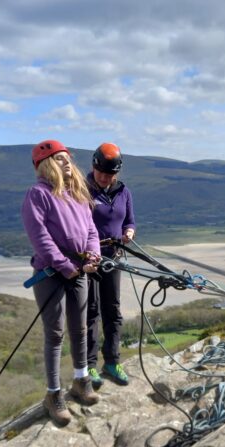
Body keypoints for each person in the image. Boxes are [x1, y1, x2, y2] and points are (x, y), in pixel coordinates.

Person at [21, 140, 101, 426]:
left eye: (68, 158)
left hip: (79, 270)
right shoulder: (38, 194)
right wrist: (64, 265)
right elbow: (40, 237)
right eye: (59, 159)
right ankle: (53, 394)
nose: (67, 163)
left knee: (80, 328)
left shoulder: (78, 194)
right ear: (46, 165)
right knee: (55, 334)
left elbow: (91, 230)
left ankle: (81, 380)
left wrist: (93, 255)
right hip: (52, 274)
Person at [86, 142, 136, 388]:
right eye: (101, 173)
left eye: (110, 174)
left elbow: (130, 220)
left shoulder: (123, 191)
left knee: (113, 311)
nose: (105, 178)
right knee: (91, 312)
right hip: (89, 262)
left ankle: (112, 361)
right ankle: (89, 366)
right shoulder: (81, 190)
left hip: (113, 259)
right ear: (94, 167)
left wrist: (129, 231)